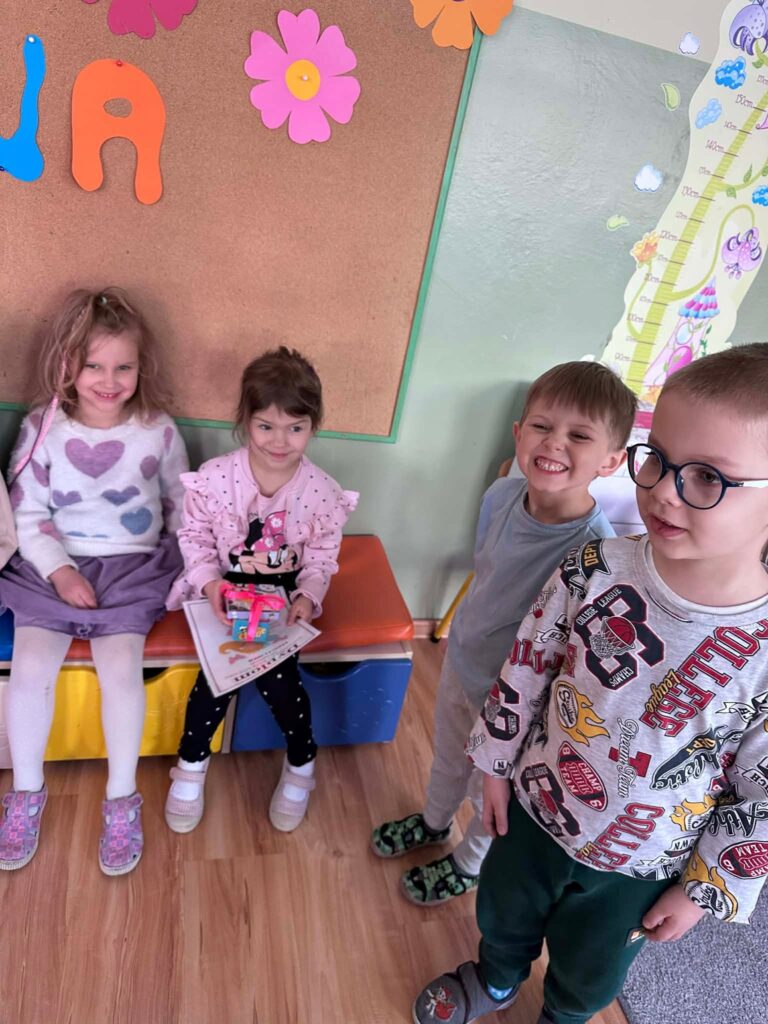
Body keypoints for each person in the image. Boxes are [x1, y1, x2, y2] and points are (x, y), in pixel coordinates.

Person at [413, 343, 768, 1024]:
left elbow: (760, 797)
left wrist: (704, 890)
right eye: (658, 458)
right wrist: (494, 765)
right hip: (534, 809)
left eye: (706, 477)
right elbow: (525, 668)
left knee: (590, 970)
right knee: (504, 915)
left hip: (639, 863)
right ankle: (496, 979)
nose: (663, 490)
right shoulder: (593, 567)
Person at [372, 362, 636, 904]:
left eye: (579, 435)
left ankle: (469, 863)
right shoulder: (499, 497)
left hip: (517, 706)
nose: (554, 443)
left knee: (490, 791)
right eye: (542, 426)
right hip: (462, 663)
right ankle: (433, 822)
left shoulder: (597, 555)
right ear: (519, 433)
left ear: (611, 460)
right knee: (447, 757)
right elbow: (487, 572)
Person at [0, 287, 188, 876]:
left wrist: (196, 568)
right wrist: (59, 571)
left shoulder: (159, 430)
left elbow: (184, 504)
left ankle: (121, 798)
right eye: (94, 366)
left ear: (140, 367)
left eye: (123, 367)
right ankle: (26, 793)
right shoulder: (43, 427)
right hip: (50, 566)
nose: (109, 381)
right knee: (30, 672)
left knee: (122, 674)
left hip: (134, 568)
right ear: (67, 365)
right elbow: (26, 512)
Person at [164, 346, 358, 834]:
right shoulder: (216, 479)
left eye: (295, 427)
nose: (279, 440)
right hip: (225, 592)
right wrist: (209, 583)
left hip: (283, 598)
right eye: (266, 425)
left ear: (313, 425)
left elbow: (321, 559)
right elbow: (194, 537)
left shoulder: (321, 491)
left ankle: (302, 762)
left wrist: (307, 596)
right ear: (245, 421)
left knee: (280, 682)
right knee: (213, 681)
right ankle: (191, 764)